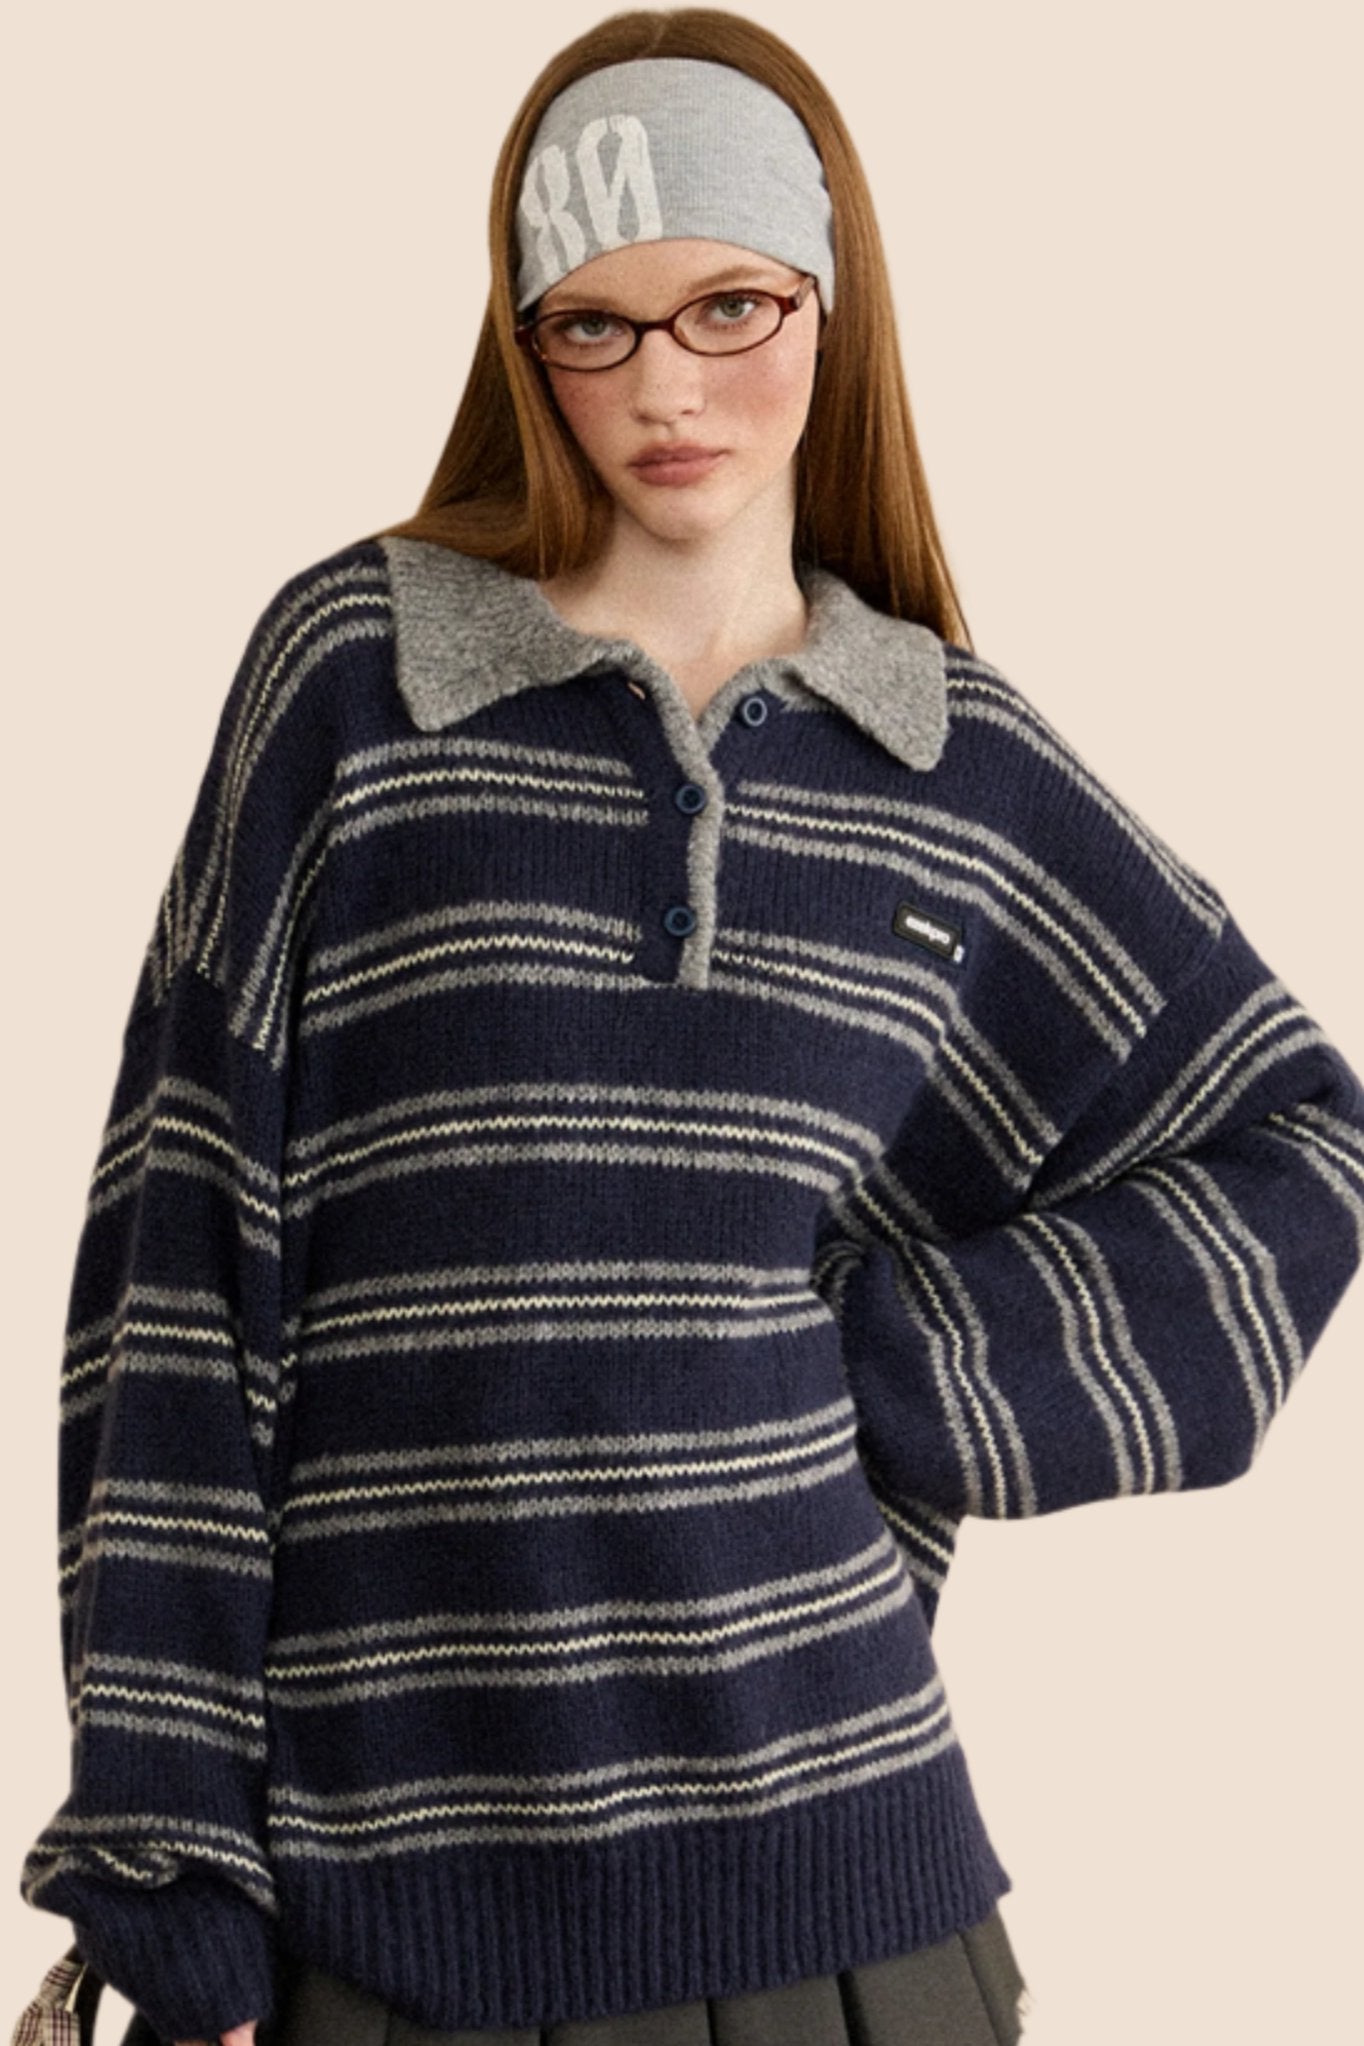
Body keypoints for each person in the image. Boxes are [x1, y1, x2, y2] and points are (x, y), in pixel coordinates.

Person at [15, 9, 1364, 2045]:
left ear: (830, 299)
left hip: (857, 1914)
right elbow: (179, 1272)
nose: (664, 386)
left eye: (730, 306)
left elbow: (1293, 1148)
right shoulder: (365, 680)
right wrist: (161, 1848)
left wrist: (878, 1364)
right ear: (523, 344)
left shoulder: (944, 762)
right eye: (594, 325)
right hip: (385, 1919)